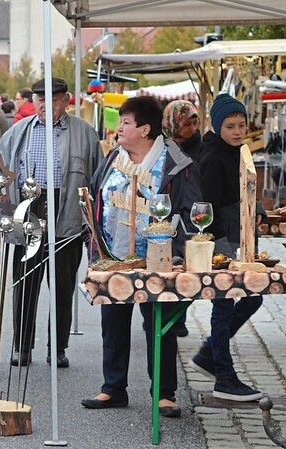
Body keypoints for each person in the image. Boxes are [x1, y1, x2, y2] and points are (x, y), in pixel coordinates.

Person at [81, 96, 201, 418]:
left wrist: (175, 252)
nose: (118, 127)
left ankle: (164, 393)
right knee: (113, 322)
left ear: (145, 129)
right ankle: (113, 387)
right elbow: (95, 197)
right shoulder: (112, 159)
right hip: (115, 255)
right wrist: (93, 244)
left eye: (126, 122)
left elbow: (190, 212)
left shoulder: (175, 164)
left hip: (158, 260)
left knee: (159, 326)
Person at [0, 77, 102, 368]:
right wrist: (5, 217)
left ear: (65, 100)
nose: (45, 104)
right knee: (25, 283)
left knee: (62, 285)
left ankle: (58, 347)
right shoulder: (18, 132)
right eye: (40, 99)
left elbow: (98, 180)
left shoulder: (84, 133)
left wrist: (91, 223)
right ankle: (22, 346)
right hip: (28, 211)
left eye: (52, 99)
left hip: (66, 212)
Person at [190, 94, 264, 402]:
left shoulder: (239, 152)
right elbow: (207, 209)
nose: (237, 131)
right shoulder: (212, 158)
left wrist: (255, 208)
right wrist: (223, 250)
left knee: (253, 298)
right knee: (224, 306)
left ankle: (210, 354)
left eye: (242, 125)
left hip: (242, 241)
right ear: (218, 126)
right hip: (224, 244)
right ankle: (224, 374)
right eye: (230, 126)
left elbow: (242, 190)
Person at [162, 99, 202, 338]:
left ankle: (178, 319)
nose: (193, 128)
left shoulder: (199, 148)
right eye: (187, 123)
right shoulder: (162, 149)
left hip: (191, 214)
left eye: (195, 121)